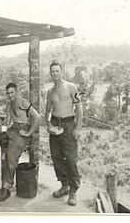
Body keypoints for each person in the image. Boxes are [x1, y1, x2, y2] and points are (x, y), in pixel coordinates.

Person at [0, 82, 41, 202]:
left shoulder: (24, 103)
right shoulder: (9, 104)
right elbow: (8, 122)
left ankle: (7, 187)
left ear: (16, 92)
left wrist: (29, 133)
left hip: (22, 130)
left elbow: (37, 117)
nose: (10, 95)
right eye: (8, 93)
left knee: (10, 157)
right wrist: (2, 129)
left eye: (12, 92)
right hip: (12, 129)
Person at [45, 61, 83, 206]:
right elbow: (47, 111)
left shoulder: (72, 87)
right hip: (55, 125)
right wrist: (48, 124)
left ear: (62, 71)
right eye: (52, 71)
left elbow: (79, 108)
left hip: (68, 125)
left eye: (57, 71)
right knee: (56, 157)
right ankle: (64, 185)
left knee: (71, 159)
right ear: (50, 73)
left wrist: (77, 128)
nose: (55, 74)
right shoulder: (50, 92)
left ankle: (73, 190)